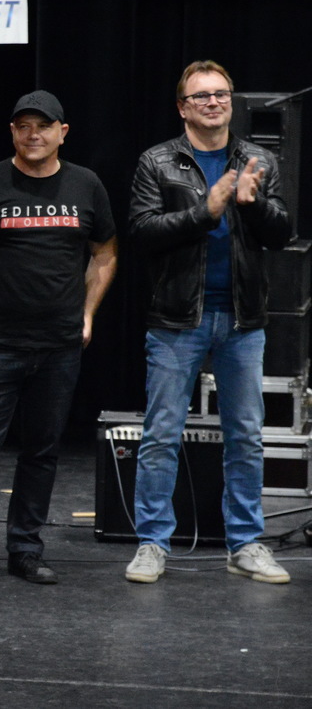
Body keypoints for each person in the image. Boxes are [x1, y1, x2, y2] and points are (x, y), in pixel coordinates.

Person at [0, 90, 117, 587]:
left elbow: (105, 252)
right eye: (24, 126)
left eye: (43, 126)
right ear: (12, 131)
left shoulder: (86, 184)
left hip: (59, 345)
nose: (34, 135)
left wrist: (88, 313)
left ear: (62, 132)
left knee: (42, 450)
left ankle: (26, 549)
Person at [125, 60, 293, 584]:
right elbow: (142, 232)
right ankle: (152, 543)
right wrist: (207, 211)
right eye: (201, 96)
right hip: (177, 320)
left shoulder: (259, 159)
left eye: (221, 94)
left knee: (245, 436)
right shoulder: (158, 161)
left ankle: (245, 544)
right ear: (183, 107)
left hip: (242, 320)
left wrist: (253, 205)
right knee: (161, 435)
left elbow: (282, 234)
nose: (214, 102)